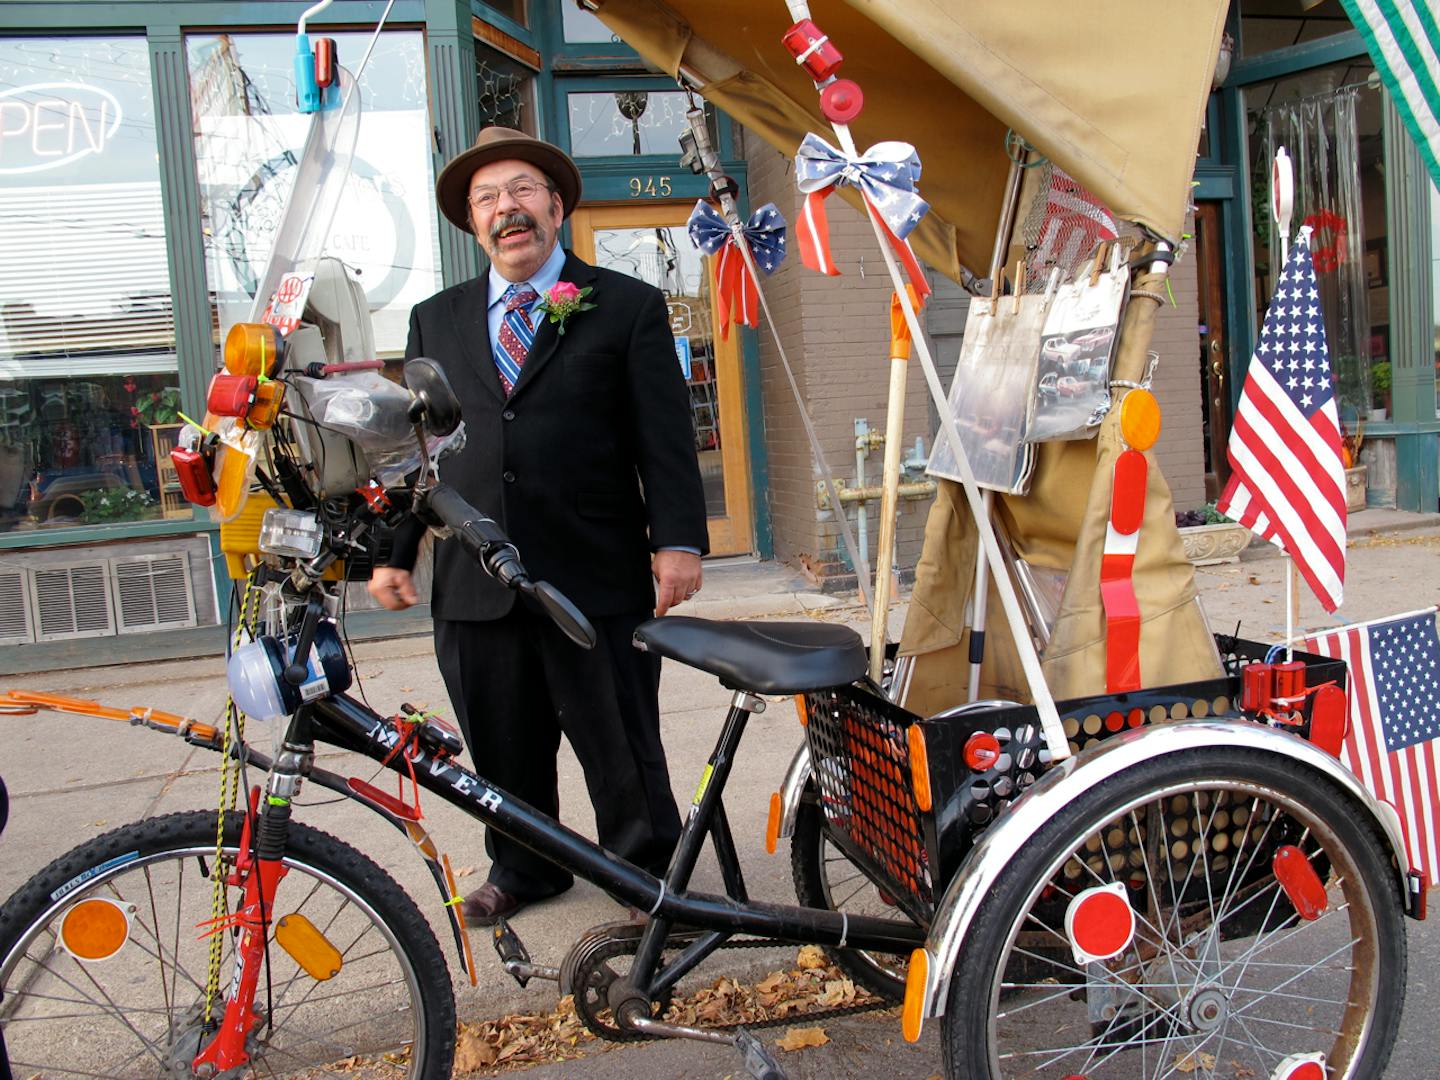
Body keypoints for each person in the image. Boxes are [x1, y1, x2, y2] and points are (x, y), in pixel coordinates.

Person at [369, 126, 708, 924]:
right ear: (472, 223)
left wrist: (680, 542)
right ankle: (525, 867)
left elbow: (664, 437)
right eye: (487, 198)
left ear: (555, 206)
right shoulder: (435, 320)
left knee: (620, 740)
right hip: (473, 578)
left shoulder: (627, 306)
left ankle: (644, 874)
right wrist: (395, 552)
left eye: (521, 191)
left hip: (592, 569)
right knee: (502, 744)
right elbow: (417, 452)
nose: (505, 209)